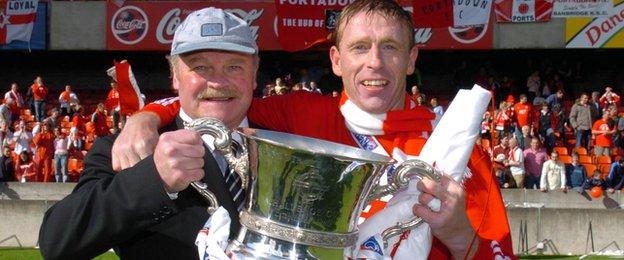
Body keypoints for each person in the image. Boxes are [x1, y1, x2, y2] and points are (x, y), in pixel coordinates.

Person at [108, 1, 513, 259]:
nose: (374, 62)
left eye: (390, 47)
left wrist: (460, 236)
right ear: (336, 60)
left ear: (411, 59)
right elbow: (217, 100)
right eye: (359, 47)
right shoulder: (297, 114)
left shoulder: (457, 151)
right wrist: (147, 116)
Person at [39, 7, 257, 259]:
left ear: (254, 73)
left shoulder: (288, 140)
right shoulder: (125, 148)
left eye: (234, 67)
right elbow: (57, 242)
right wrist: (154, 180)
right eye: (200, 67)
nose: (218, 82)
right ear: (174, 76)